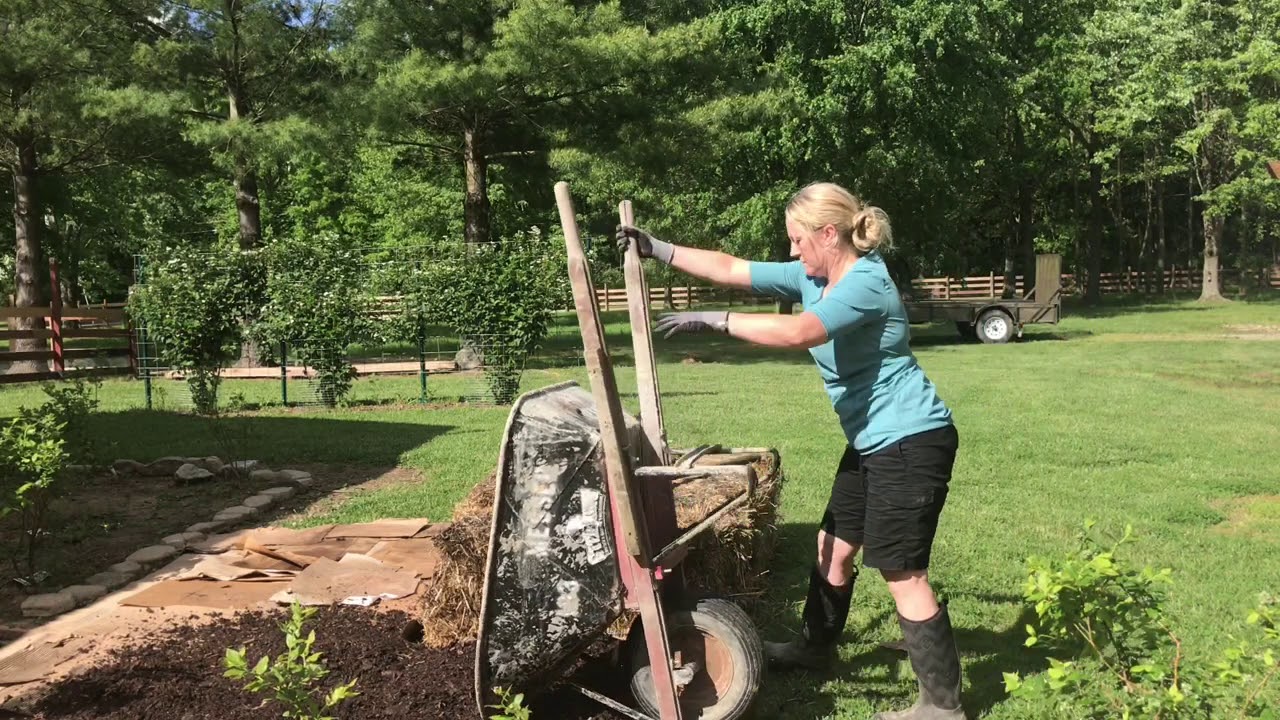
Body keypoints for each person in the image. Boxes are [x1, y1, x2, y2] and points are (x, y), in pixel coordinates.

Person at [615, 182, 965, 720]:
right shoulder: (810, 275)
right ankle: (813, 648)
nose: (794, 252)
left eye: (799, 240)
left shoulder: (867, 282)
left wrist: (718, 322)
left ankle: (941, 706)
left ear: (830, 234)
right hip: (872, 443)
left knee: (901, 571)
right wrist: (658, 248)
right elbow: (731, 267)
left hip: (911, 442)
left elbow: (802, 330)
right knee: (832, 547)